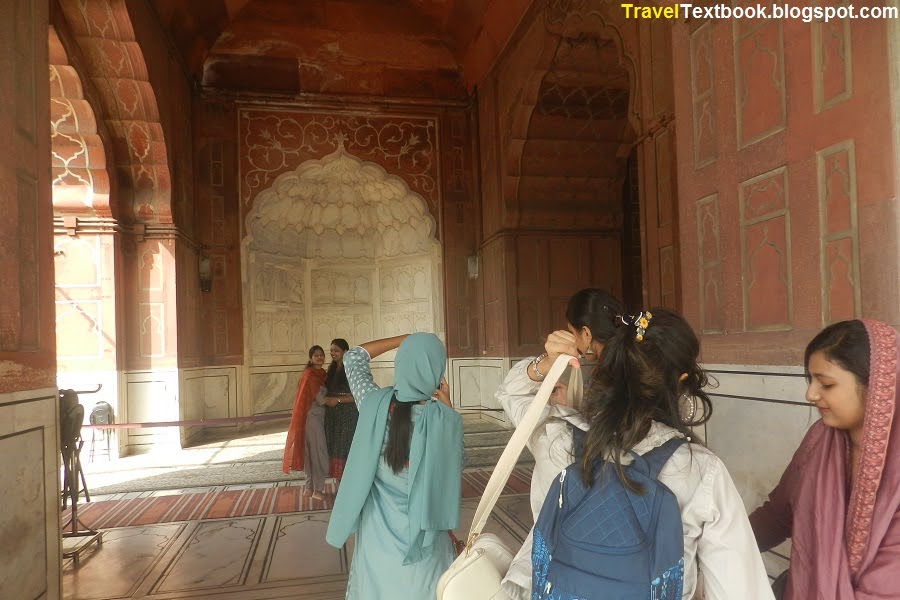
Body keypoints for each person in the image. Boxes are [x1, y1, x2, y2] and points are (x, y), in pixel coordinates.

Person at [543, 308, 773, 599]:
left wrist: (543, 363)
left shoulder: (566, 444)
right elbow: (740, 589)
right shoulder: (700, 469)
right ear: (682, 380)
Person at [749, 319, 900, 598]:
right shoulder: (820, 441)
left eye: (826, 384)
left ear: (877, 388)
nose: (810, 394)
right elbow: (780, 514)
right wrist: (719, 542)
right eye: (810, 380)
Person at [496, 288, 624, 599]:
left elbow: (511, 393)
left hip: (560, 574)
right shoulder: (672, 456)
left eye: (571, 332)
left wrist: (546, 363)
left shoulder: (559, 439)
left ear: (585, 334)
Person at [325, 333, 463, 600]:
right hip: (425, 552)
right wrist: (449, 415)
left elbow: (354, 357)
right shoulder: (444, 422)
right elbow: (455, 469)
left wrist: (406, 339)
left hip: (378, 546)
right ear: (438, 374)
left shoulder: (373, 404)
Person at [283, 345, 328, 500]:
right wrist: (342, 399)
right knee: (318, 452)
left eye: (322, 355)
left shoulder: (319, 374)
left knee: (310, 452)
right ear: (310, 358)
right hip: (314, 418)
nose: (320, 358)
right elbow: (321, 400)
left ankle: (308, 488)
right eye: (316, 355)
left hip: (312, 418)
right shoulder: (311, 375)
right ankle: (318, 490)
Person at [323, 338, 357, 480]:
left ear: (345, 352)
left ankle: (347, 480)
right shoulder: (331, 369)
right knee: (334, 445)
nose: (332, 353)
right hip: (332, 414)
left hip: (347, 414)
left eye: (336, 350)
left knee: (345, 446)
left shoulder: (352, 368)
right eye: (331, 350)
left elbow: (357, 395)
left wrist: (337, 400)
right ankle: (339, 479)